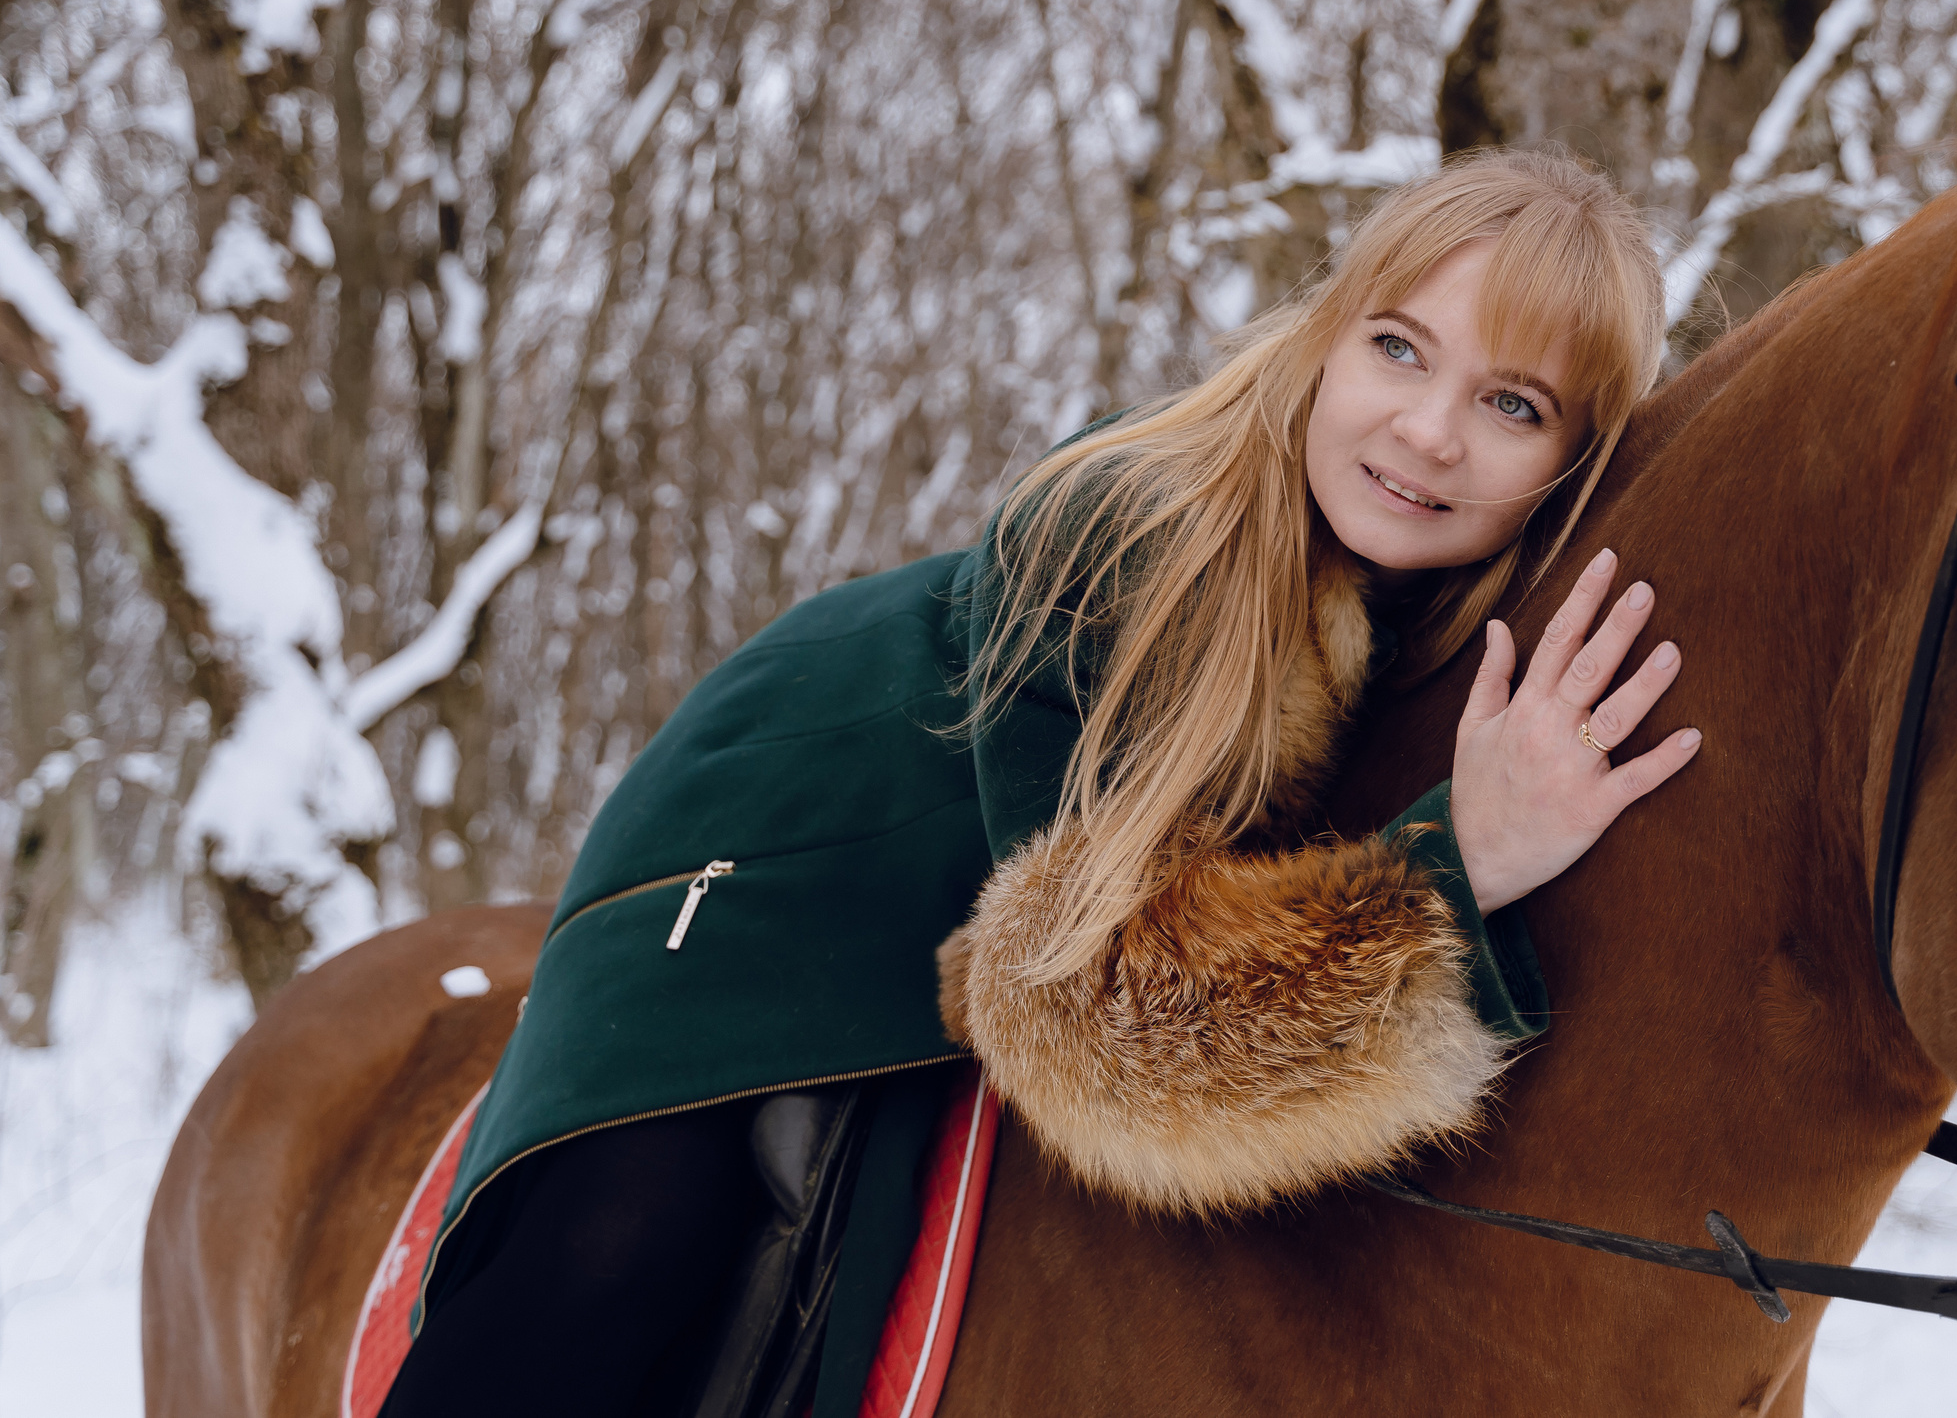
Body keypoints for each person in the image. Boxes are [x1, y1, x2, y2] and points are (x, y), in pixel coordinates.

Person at [382, 148, 1699, 1418]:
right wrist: (1457, 864)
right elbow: (1082, 999)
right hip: (775, 863)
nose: (1428, 429)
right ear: (1327, 332)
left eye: (1510, 403)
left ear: (1571, 461)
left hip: (994, 872)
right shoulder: (1133, 538)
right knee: (628, 1240)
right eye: (1399, 348)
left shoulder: (1447, 590)